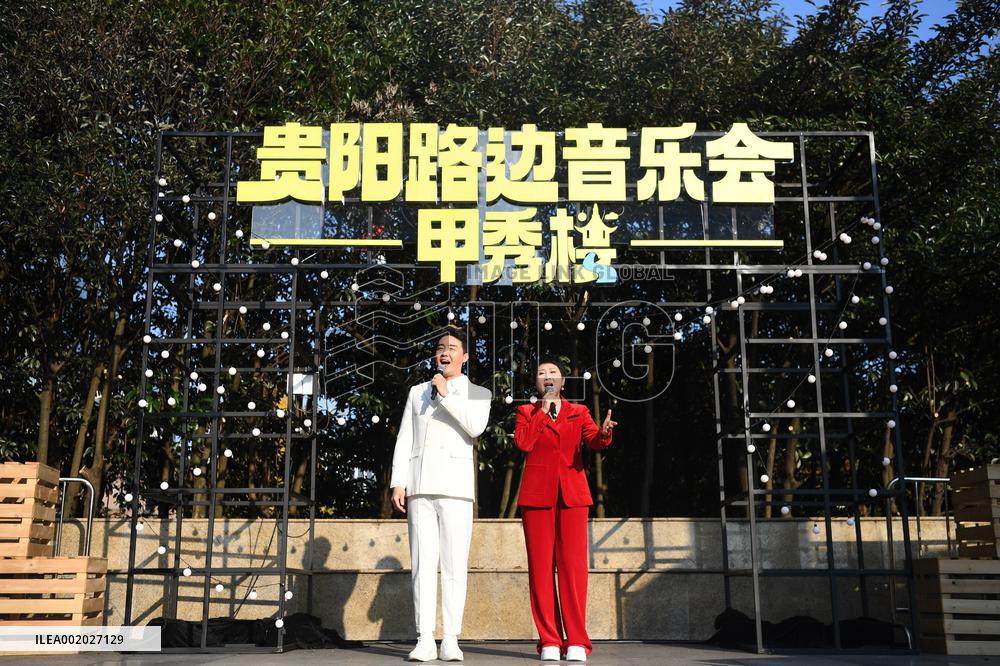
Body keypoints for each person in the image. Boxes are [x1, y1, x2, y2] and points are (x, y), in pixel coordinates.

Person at [390, 329, 492, 662]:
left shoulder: (478, 392)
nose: (444, 353)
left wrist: (447, 395)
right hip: (419, 487)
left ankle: (450, 638)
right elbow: (405, 437)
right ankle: (423, 638)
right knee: (422, 565)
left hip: (456, 489)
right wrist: (398, 481)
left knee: (453, 566)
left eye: (451, 348)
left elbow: (475, 427)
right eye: (439, 348)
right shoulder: (417, 391)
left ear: (464, 357)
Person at [514, 359, 616, 663]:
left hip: (572, 497)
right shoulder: (525, 412)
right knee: (541, 571)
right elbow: (524, 442)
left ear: (563, 382)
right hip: (537, 499)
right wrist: (543, 412)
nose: (547, 377)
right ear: (536, 383)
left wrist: (605, 432)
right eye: (542, 374)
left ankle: (577, 641)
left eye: (553, 373)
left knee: (573, 571)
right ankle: (549, 640)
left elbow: (594, 440)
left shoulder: (579, 412)